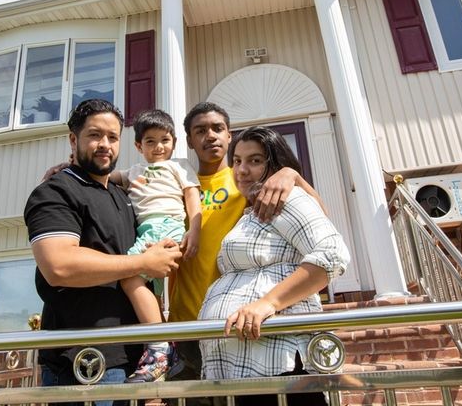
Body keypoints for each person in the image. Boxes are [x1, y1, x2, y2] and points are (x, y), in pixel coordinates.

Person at [24, 99, 182, 406]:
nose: (104, 144)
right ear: (74, 140)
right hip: (85, 363)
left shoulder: (123, 196)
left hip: (139, 364)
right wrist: (143, 261)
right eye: (95, 135)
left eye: (112, 137)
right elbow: (59, 266)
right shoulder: (56, 191)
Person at [166, 103, 325, 401]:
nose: (210, 136)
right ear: (189, 141)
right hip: (188, 323)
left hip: (242, 325)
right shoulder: (178, 184)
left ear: (229, 135)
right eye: (200, 131)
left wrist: (291, 174)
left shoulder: (245, 178)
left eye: (218, 129)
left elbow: (318, 218)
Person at [198, 126, 350, 406]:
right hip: (243, 369)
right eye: (237, 161)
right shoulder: (254, 211)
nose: (242, 170)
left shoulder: (286, 199)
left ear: (275, 164)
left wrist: (267, 303)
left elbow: (333, 253)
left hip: (276, 367)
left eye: (255, 160)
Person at [110, 109, 201, 383]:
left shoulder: (179, 166)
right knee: (153, 292)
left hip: (166, 227)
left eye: (165, 140)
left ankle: (158, 347)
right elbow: (110, 177)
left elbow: (192, 197)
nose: (159, 147)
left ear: (173, 142)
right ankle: (164, 350)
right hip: (145, 231)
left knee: (129, 276)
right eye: (150, 141)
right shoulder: (134, 172)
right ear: (138, 146)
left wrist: (194, 230)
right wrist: (72, 164)